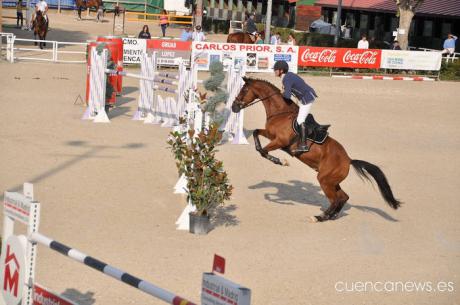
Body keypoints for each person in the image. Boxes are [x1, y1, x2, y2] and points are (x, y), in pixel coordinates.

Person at [273, 60, 318, 153]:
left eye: (275, 69)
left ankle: (304, 145)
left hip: (307, 98)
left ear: (281, 70)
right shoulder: (288, 75)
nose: (274, 71)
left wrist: (282, 93)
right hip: (305, 96)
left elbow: (287, 96)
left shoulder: (286, 79)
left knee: (300, 120)